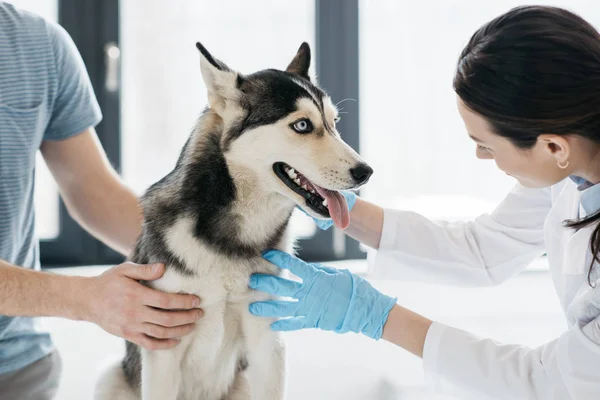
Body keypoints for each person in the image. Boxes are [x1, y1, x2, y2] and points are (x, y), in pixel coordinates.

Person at [249, 5, 600, 399]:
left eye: (485, 145)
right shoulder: (571, 171)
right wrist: (340, 207)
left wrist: (376, 316)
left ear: (554, 146)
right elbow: (482, 249)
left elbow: (545, 381)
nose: (482, 158)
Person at [0, 3, 203, 399]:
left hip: (21, 366)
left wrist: (201, 254)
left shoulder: (38, 43)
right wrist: (88, 299)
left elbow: (92, 190)